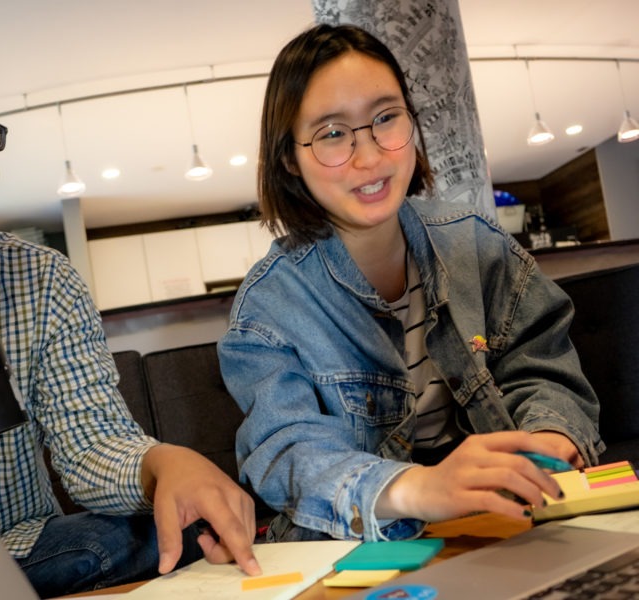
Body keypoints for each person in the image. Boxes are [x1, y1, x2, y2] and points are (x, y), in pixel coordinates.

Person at [0, 42, 260, 598]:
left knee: (166, 535)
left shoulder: (41, 279)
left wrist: (165, 462)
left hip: (28, 554)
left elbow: (90, 445)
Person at [217, 24, 603, 544]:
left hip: (502, 521)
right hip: (363, 545)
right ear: (290, 158)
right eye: (332, 133)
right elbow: (290, 453)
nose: (371, 157)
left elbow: (541, 365)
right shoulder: (269, 308)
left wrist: (549, 435)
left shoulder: (474, 243)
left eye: (385, 118)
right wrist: (419, 488)